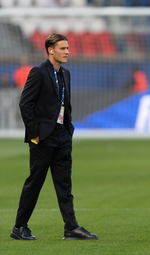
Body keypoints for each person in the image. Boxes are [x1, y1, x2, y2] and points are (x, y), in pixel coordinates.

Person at [10, 33, 98, 241]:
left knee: (64, 185)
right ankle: (19, 227)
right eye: (62, 48)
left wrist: (68, 130)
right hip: (43, 138)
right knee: (35, 183)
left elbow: (64, 105)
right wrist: (35, 134)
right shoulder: (38, 72)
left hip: (62, 136)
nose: (67, 51)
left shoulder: (65, 73)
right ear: (50, 50)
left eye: (67, 48)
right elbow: (25, 104)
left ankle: (71, 228)